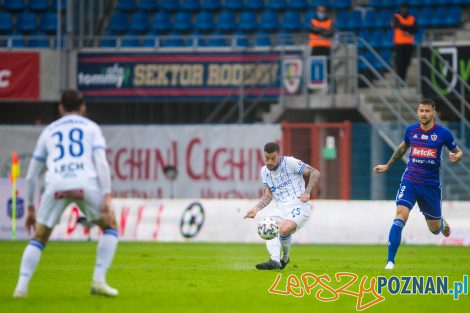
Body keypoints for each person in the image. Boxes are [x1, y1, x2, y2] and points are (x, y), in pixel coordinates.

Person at [13, 90, 119, 298]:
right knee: (110, 226)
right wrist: (107, 195)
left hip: (56, 183)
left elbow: (31, 175)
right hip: (84, 183)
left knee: (40, 236)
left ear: (60, 108)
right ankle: (98, 281)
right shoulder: (91, 128)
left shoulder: (49, 131)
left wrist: (31, 208)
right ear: (83, 108)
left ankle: (21, 288)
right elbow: (101, 163)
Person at [373, 98, 463, 270]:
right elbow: (401, 149)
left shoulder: (443, 134)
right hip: (411, 180)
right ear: (417, 112)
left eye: (427, 111)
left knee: (434, 229)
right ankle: (390, 261)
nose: (423, 114)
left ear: (433, 112)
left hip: (430, 186)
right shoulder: (411, 131)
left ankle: (440, 223)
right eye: (421, 111)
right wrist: (387, 165)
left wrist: (457, 157)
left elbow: (458, 152)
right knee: (400, 214)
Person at [244, 142, 320, 270]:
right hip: (280, 208)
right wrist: (255, 209)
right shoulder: (264, 172)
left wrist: (307, 192)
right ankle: (274, 260)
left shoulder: (290, 162)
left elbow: (315, 172)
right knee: (267, 226)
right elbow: (268, 196)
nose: (269, 162)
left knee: (284, 229)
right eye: (267, 158)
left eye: (273, 158)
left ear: (279, 155)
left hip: (299, 205)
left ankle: (284, 257)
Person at [391, 4, 417, 82]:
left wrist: (406, 29)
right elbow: (398, 25)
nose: (404, 10)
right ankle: (399, 79)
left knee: (407, 62)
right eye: (403, 9)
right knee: (399, 62)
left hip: (408, 44)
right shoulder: (396, 17)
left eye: (406, 9)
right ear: (400, 9)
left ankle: (403, 79)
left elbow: (415, 29)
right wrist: (409, 29)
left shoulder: (412, 18)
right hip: (399, 44)